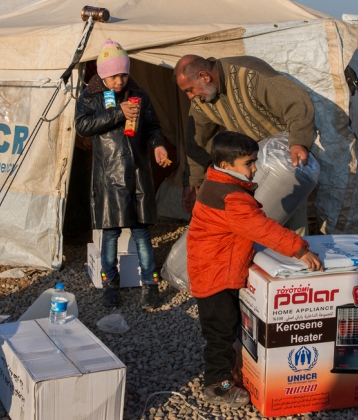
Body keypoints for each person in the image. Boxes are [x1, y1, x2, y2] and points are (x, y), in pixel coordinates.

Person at [187, 131, 324, 407]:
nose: (255, 168)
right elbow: (262, 228)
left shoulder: (216, 180)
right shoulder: (232, 198)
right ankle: (218, 385)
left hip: (212, 266)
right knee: (220, 333)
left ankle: (231, 370)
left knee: (225, 327)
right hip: (216, 274)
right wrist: (300, 249)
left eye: (254, 161)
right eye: (248, 163)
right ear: (227, 166)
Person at [75, 39, 170, 308]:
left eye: (124, 74)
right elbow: (83, 126)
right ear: (103, 74)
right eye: (114, 75)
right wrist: (118, 112)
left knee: (142, 232)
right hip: (108, 176)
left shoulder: (138, 93)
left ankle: (150, 284)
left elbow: (152, 126)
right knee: (111, 233)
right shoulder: (90, 96)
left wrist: (159, 145)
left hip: (138, 173)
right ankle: (110, 283)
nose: (120, 80)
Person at [172, 55, 316, 227]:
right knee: (255, 221)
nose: (190, 96)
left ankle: (295, 251)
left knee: (289, 216)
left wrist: (299, 140)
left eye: (190, 89)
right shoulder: (202, 101)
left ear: (204, 76)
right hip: (249, 166)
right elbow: (197, 142)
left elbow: (296, 103)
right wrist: (193, 182)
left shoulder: (249, 74)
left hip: (282, 159)